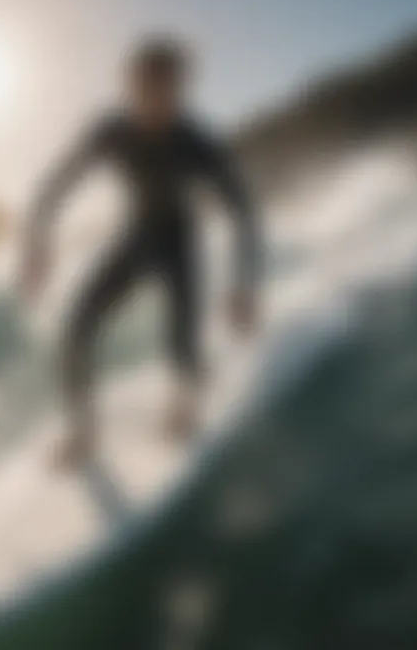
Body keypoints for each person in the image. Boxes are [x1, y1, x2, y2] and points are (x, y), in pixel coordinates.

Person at [22, 36, 262, 469]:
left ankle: (186, 399)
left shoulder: (195, 142)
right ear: (130, 88)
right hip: (136, 237)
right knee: (76, 327)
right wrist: (38, 249)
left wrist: (244, 285)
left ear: (182, 89)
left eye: (169, 90)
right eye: (147, 90)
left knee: (180, 344)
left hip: (180, 242)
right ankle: (84, 430)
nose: (158, 102)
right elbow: (55, 186)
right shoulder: (110, 131)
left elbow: (242, 209)